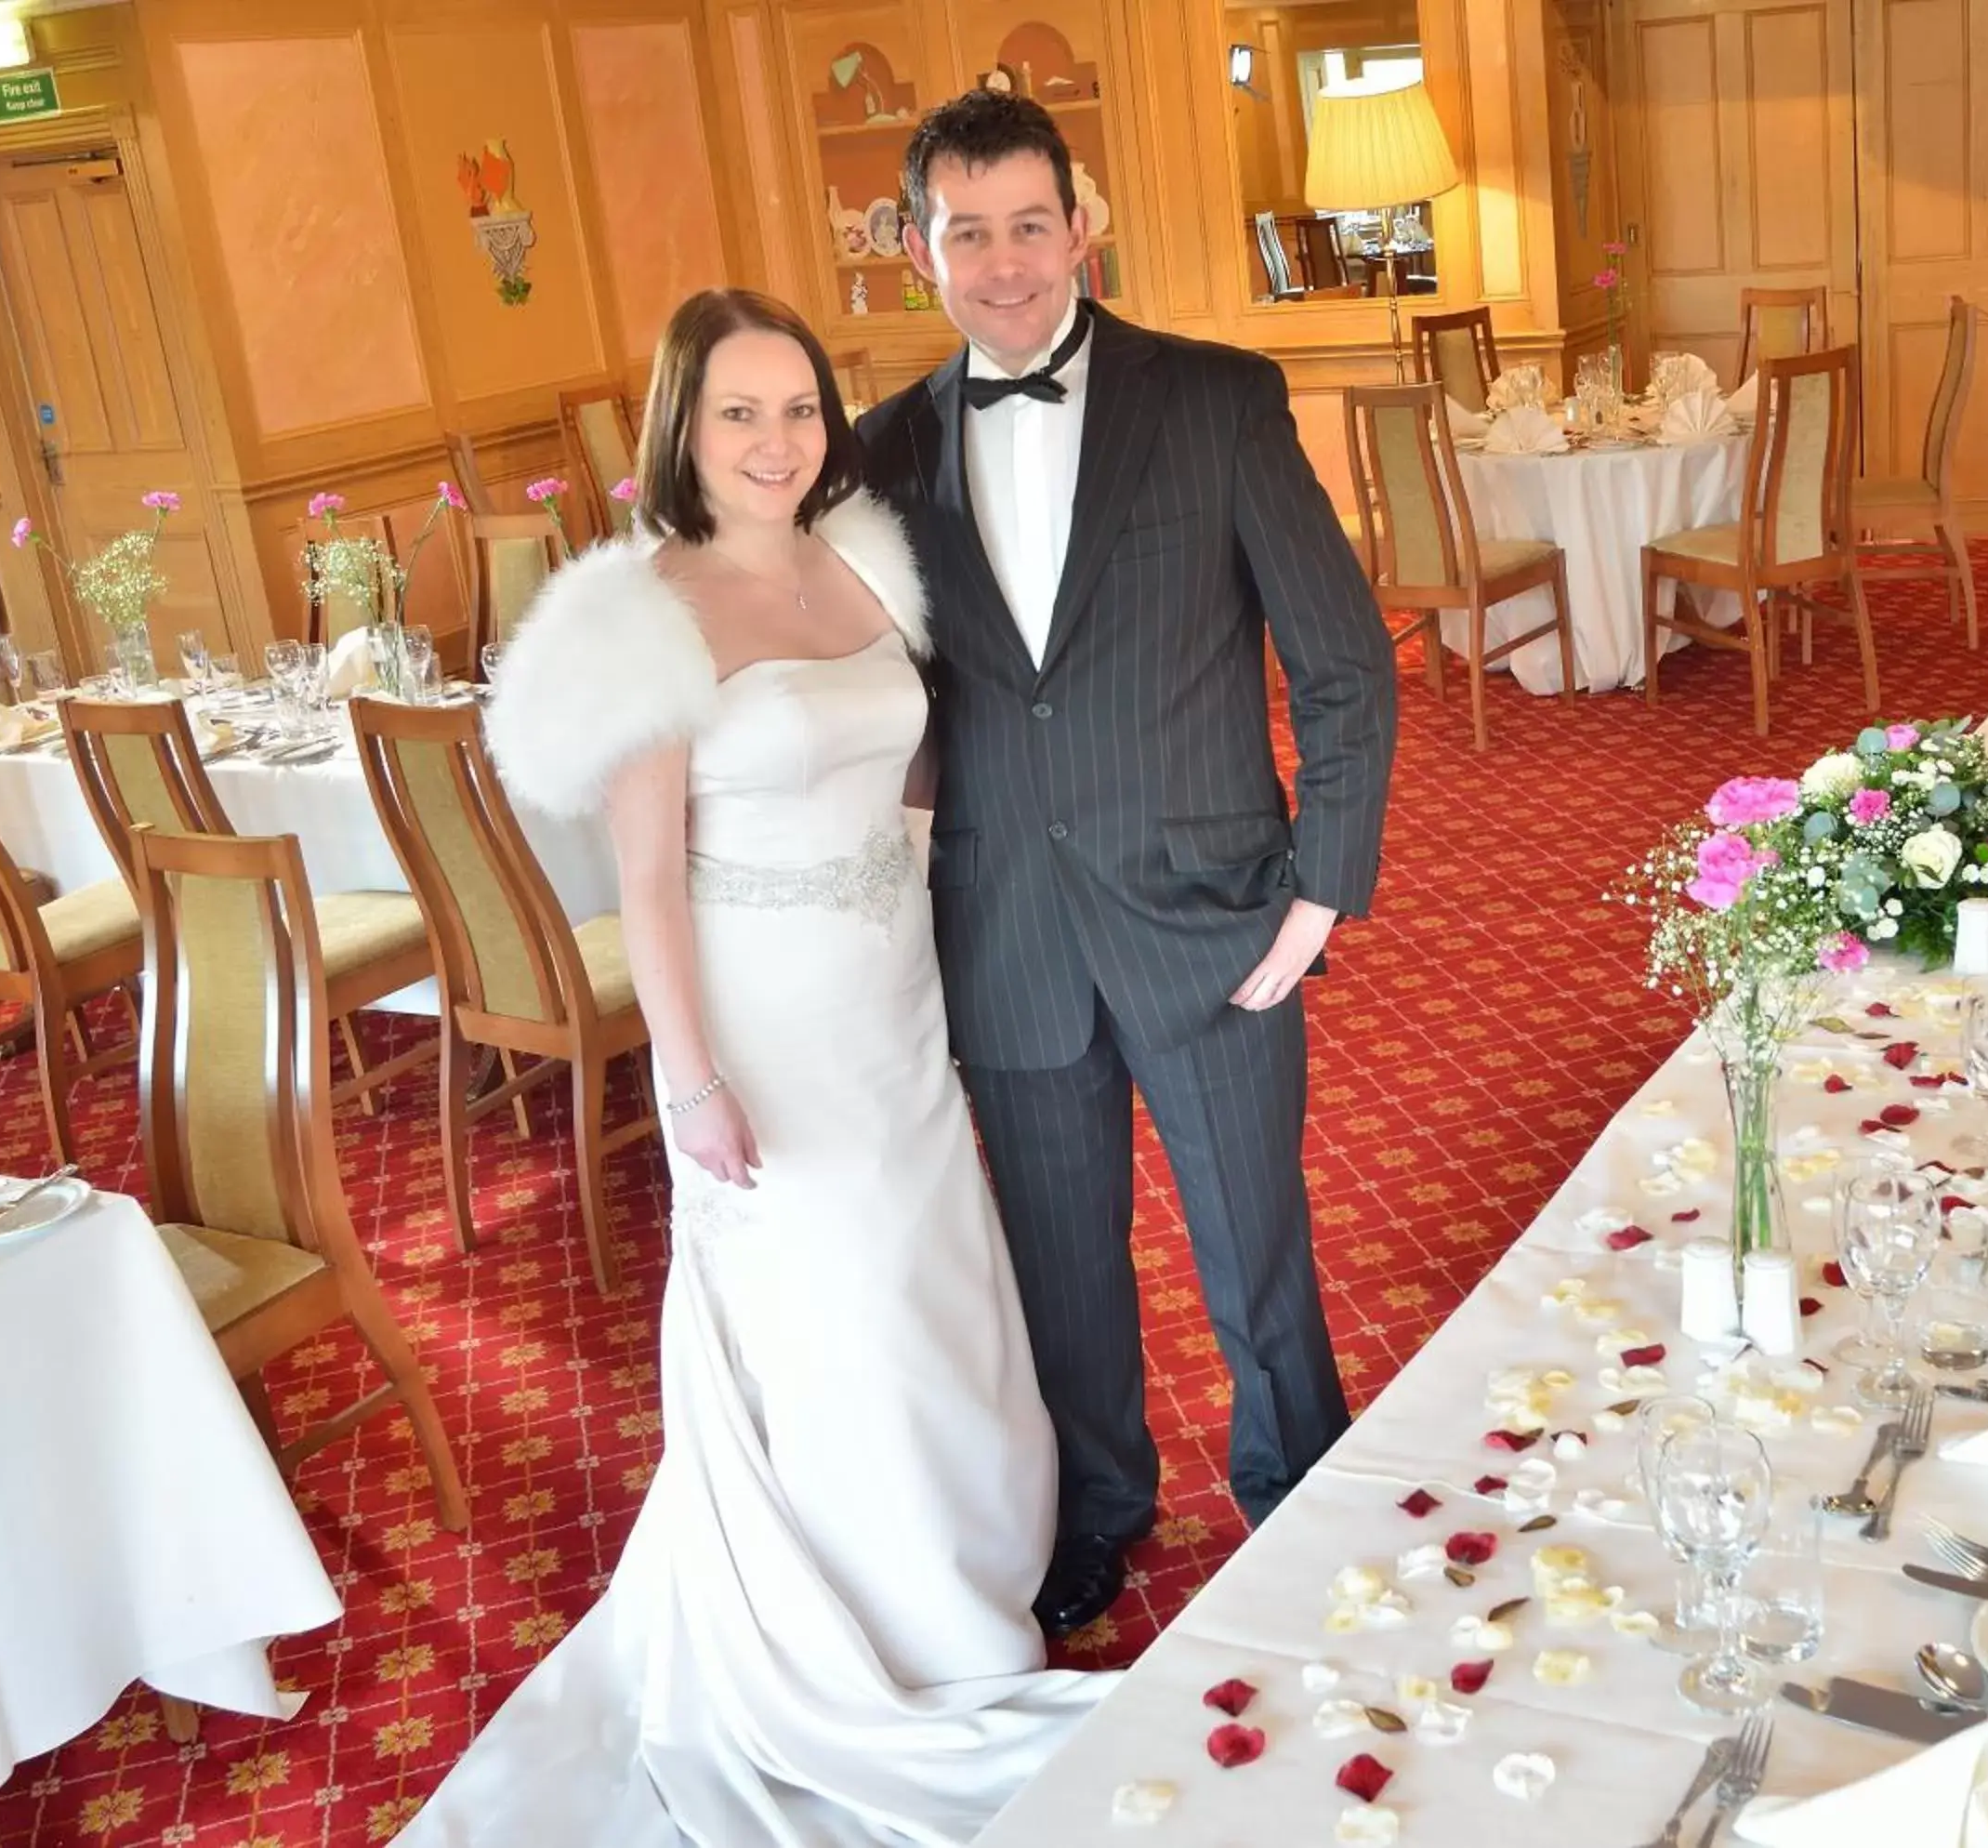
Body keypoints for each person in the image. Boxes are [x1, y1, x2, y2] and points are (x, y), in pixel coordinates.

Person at [398, 287, 1105, 1847]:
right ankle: (862, 1646)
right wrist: (690, 1082)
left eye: (798, 410)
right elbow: (648, 883)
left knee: (933, 1286)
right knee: (837, 1306)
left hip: (891, 993)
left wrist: (909, 879)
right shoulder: (648, 611)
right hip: (767, 1019)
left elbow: (910, 742)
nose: (777, 441)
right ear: (684, 431)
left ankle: (965, 1591)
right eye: (740, 413)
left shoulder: (864, 557)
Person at [858, 90, 1399, 1637]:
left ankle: (1298, 1483)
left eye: (1034, 224)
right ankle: (1098, 1508)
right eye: (970, 233)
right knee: (1059, 1268)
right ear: (921, 250)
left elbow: (1346, 664)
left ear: (1081, 226)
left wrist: (1320, 889)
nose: (1008, 264)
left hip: (1214, 914)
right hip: (1007, 931)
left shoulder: (1218, 400)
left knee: (1257, 1246)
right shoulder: (887, 451)